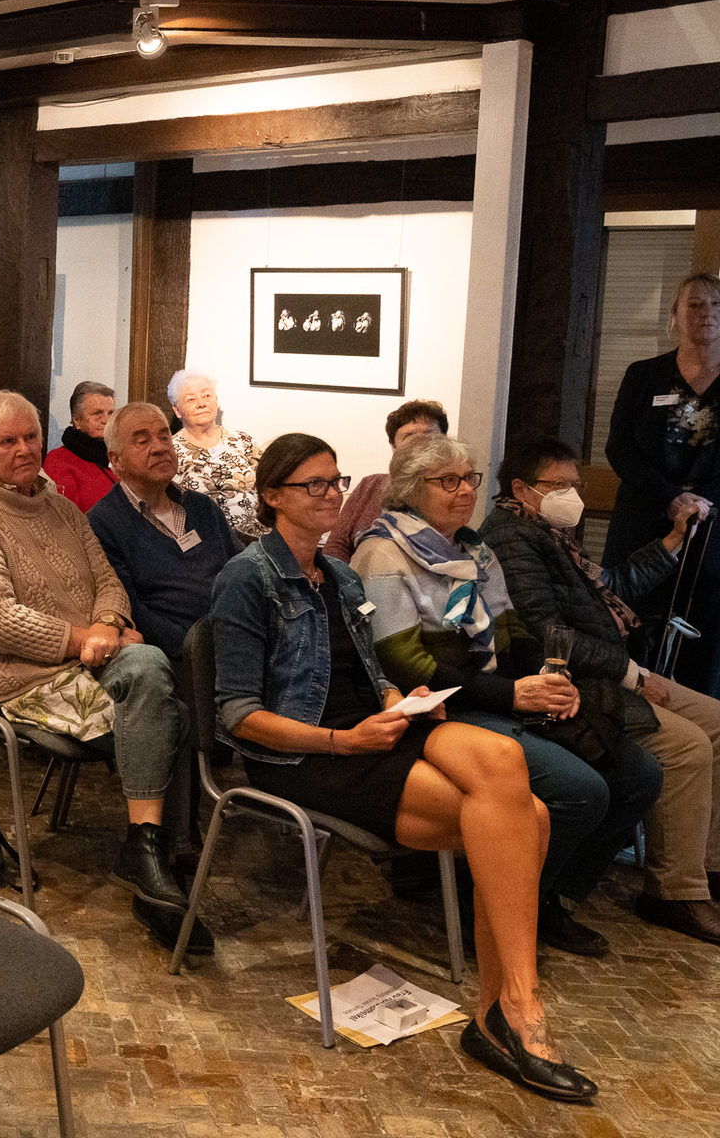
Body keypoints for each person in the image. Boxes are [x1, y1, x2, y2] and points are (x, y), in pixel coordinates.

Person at [210, 433, 595, 1102]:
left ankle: (504, 1010)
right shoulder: (246, 577)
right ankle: (513, 1011)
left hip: (376, 729)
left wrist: (397, 698)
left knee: (504, 759)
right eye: (313, 484)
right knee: (527, 818)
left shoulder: (340, 576)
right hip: (308, 753)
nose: (332, 494)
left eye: (336, 481)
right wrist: (344, 740)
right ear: (272, 496)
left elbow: (369, 670)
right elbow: (237, 715)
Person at [351, 435, 662, 957]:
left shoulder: (476, 550)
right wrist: (513, 695)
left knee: (639, 775)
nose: (464, 491)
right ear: (409, 489)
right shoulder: (382, 552)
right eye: (447, 481)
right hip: (438, 709)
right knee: (580, 789)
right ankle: (489, 905)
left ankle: (545, 895)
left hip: (494, 696)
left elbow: (514, 634)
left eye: (469, 479)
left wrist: (549, 682)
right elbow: (405, 663)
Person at [0, 391, 203, 951]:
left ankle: (150, 853)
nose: (23, 449)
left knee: (157, 684)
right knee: (164, 699)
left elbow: (108, 580)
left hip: (87, 665)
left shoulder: (61, 509)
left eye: (31, 436)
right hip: (15, 678)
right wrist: (87, 639)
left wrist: (107, 621)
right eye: (7, 441)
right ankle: (159, 858)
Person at [482, 436, 720, 947]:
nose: (572, 495)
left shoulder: (550, 532)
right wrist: (632, 675)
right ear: (521, 488)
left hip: (608, 669)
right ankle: (675, 892)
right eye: (559, 485)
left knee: (717, 721)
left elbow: (608, 587)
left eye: (575, 484)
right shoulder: (511, 537)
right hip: (577, 680)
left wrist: (673, 540)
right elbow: (547, 632)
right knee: (687, 746)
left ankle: (706, 865)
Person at [604, 271, 720, 696]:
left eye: (716, 304)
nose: (706, 313)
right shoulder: (644, 375)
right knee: (632, 629)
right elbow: (618, 448)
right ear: (675, 314)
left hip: (713, 533)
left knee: (704, 641)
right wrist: (671, 498)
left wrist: (700, 503)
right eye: (694, 304)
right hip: (644, 524)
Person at [88, 402, 239, 661]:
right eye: (143, 441)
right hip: (180, 655)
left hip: (236, 634)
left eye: (164, 437)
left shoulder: (202, 506)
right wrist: (197, 648)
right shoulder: (103, 523)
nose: (159, 448)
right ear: (116, 460)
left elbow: (240, 570)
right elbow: (129, 607)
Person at [326, 399, 448, 556]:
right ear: (393, 446)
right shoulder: (370, 485)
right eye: (409, 437)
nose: (419, 444)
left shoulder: (452, 491)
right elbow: (336, 545)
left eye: (428, 436)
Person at [169, 368, 264, 541]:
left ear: (216, 401)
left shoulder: (243, 441)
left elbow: (268, 485)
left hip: (254, 539)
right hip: (204, 542)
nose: (201, 403)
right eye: (191, 399)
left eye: (207, 396)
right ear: (177, 410)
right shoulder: (170, 451)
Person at [43, 380, 117, 511]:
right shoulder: (59, 461)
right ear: (76, 420)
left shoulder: (119, 456)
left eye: (110, 413)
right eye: (97, 413)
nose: (106, 420)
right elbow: (66, 516)